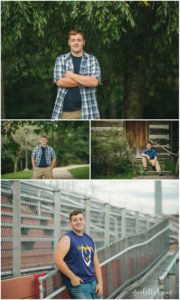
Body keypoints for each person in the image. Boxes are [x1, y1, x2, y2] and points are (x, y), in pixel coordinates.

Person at [52, 30, 101, 120]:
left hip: (89, 111)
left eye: (79, 40)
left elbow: (94, 82)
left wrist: (71, 76)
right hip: (66, 112)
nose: (76, 43)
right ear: (69, 42)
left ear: (83, 42)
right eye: (73, 40)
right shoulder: (61, 59)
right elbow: (60, 82)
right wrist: (86, 80)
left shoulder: (92, 60)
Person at [54, 210, 103, 299]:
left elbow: (95, 262)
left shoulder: (89, 239)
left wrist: (100, 283)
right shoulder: (67, 238)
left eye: (80, 219)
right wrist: (73, 277)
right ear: (71, 223)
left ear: (84, 221)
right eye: (75, 220)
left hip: (93, 282)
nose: (78, 222)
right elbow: (58, 260)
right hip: (79, 285)